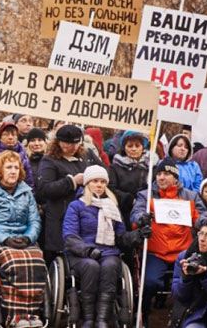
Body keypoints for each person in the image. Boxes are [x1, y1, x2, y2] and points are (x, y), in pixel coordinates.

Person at [63, 165, 149, 328]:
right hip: (82, 254)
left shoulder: (112, 206)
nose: (99, 185)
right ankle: (88, 318)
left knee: (110, 266)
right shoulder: (76, 206)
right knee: (91, 266)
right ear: (87, 183)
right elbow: (70, 237)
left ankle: (102, 318)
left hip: (109, 252)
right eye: (95, 181)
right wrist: (87, 250)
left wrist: (137, 236)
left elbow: (121, 237)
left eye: (103, 181)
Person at [130, 157, 207, 325]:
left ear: (175, 177)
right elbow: (135, 214)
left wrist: (202, 222)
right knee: (149, 282)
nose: (161, 178)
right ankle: (142, 314)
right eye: (159, 174)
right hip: (156, 252)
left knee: (190, 282)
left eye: (166, 174)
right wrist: (141, 217)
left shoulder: (191, 196)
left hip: (183, 252)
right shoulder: (146, 194)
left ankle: (186, 318)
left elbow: (203, 217)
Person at [0, 151, 46, 327]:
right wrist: (5, 239)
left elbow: (34, 220)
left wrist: (29, 238)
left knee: (38, 260)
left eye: (16, 167)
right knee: (13, 261)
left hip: (22, 238)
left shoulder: (26, 192)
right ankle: (14, 315)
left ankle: (31, 313)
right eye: (8, 167)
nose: (13, 171)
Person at [37, 124, 103, 262]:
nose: (72, 147)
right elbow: (44, 189)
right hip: (60, 216)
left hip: (85, 214)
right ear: (58, 142)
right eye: (67, 144)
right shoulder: (49, 160)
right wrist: (72, 182)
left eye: (75, 143)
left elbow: (103, 173)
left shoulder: (86, 157)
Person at [108, 131, 150, 228]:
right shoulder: (115, 167)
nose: (134, 149)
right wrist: (128, 199)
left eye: (137, 145)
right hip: (123, 211)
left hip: (144, 210)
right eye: (130, 146)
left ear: (143, 147)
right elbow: (111, 188)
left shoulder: (150, 166)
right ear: (124, 148)